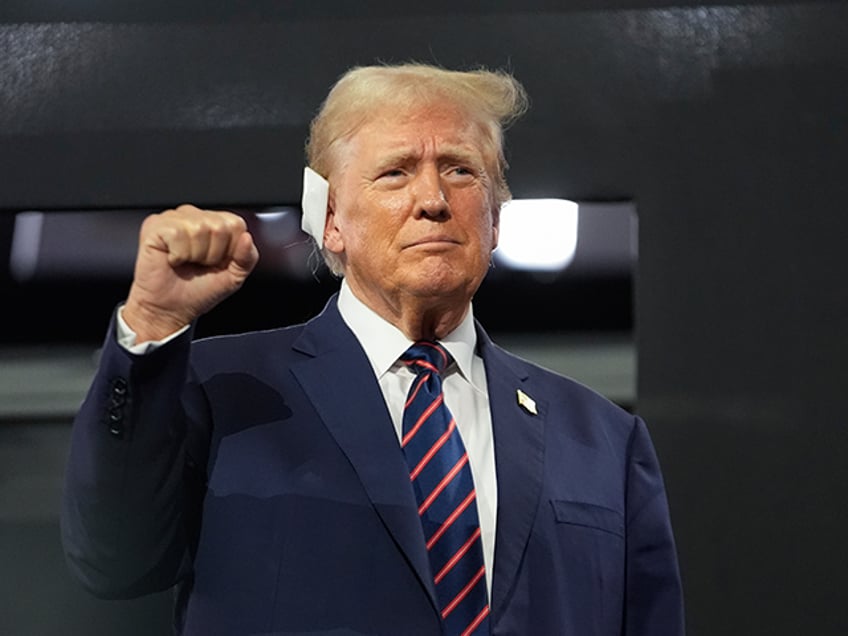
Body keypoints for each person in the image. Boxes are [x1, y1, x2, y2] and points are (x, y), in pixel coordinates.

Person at [61, 63, 685, 636]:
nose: (434, 200)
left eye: (462, 170)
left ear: (495, 219)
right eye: (396, 171)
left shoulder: (605, 438)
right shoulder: (223, 391)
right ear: (330, 218)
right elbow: (114, 561)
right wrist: (151, 322)